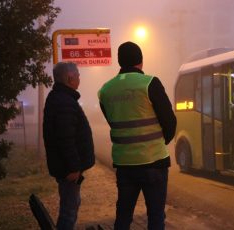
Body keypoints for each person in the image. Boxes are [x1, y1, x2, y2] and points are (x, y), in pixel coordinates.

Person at [98, 41, 177, 230]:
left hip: (124, 163)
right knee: (156, 216)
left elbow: (113, 121)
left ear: (120, 62)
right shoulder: (149, 83)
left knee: (123, 215)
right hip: (153, 161)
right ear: (140, 61)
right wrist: (159, 141)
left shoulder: (105, 90)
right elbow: (169, 121)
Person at [43, 62, 95, 229]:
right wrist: (73, 167)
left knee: (72, 205)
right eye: (78, 75)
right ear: (69, 78)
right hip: (68, 169)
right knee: (69, 211)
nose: (79, 78)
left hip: (66, 167)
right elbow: (65, 138)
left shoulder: (60, 98)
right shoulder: (64, 101)